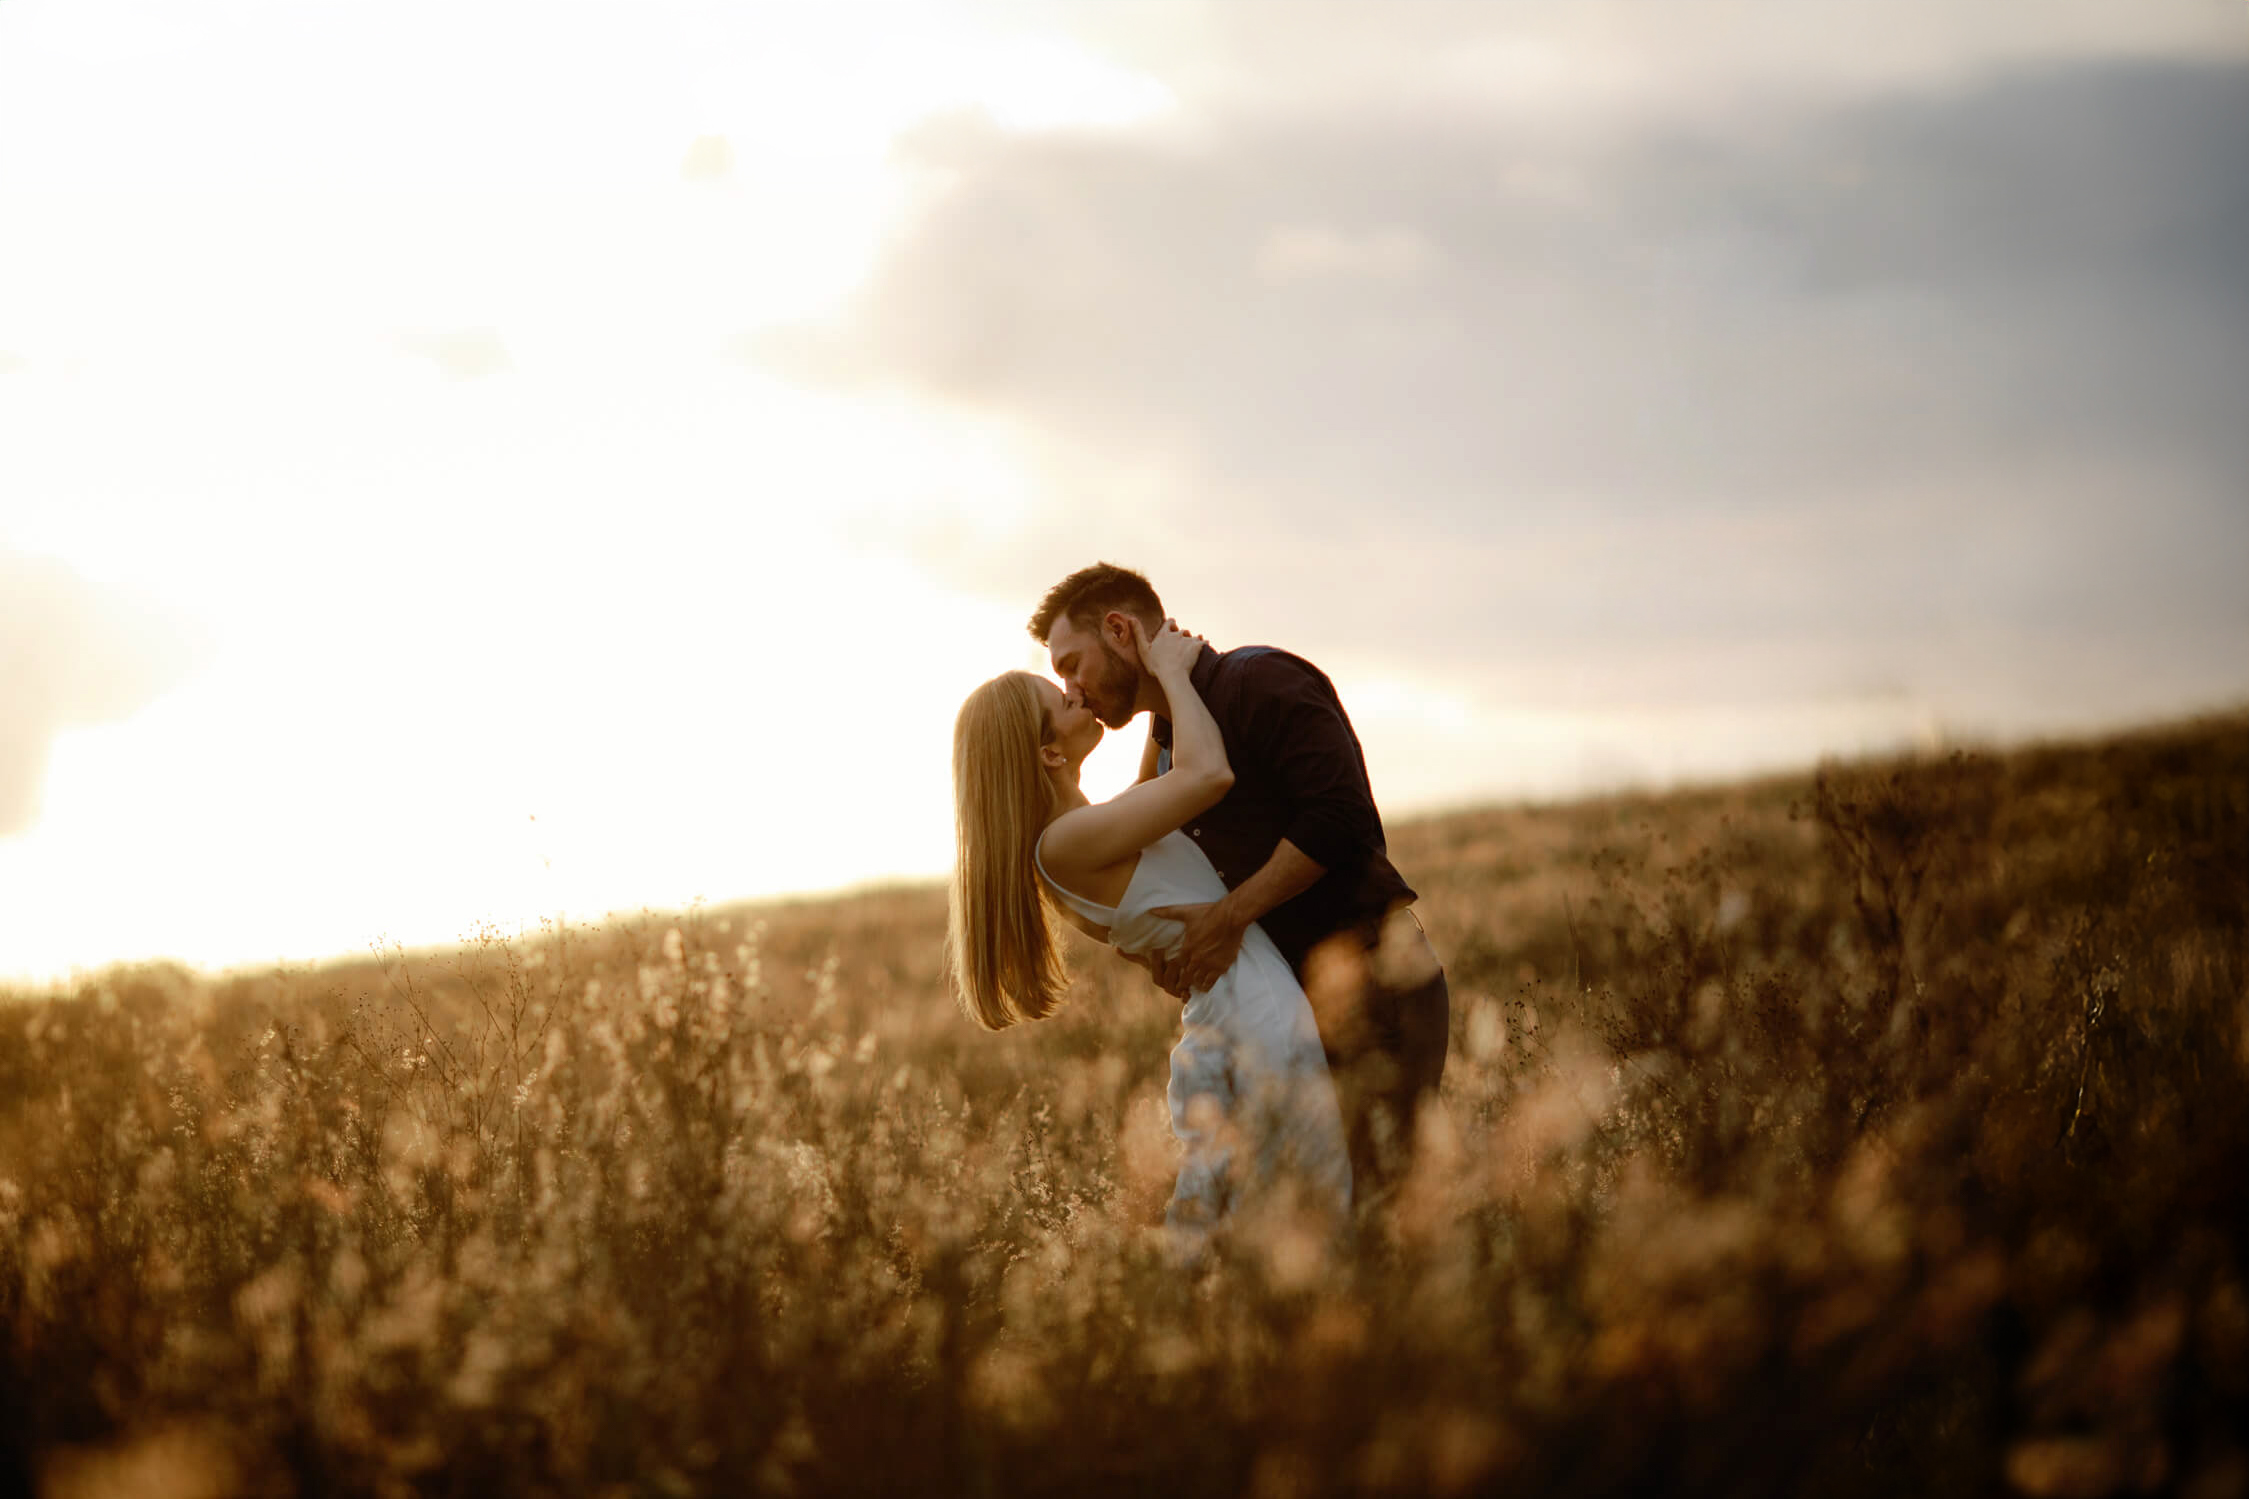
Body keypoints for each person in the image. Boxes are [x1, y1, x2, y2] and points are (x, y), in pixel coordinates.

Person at [1030, 563, 1448, 1207]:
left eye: (1072, 664)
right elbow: (1157, 874)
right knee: (1306, 1216)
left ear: (1119, 630)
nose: (1073, 688)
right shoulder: (1171, 739)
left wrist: (1227, 920)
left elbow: (1341, 821)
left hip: (1375, 982)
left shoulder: (1262, 681)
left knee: (1380, 1205)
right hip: (1284, 1010)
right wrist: (1174, 952)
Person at [950, 618, 1351, 1256]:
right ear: (1050, 753)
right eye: (1062, 701)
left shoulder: (1077, 835)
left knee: (1245, 1230)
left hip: (1234, 1015)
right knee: (1304, 1222)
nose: (1076, 694)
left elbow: (1152, 792)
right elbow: (1205, 776)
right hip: (1256, 1017)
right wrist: (1170, 671)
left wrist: (1153, 695)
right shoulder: (1065, 844)